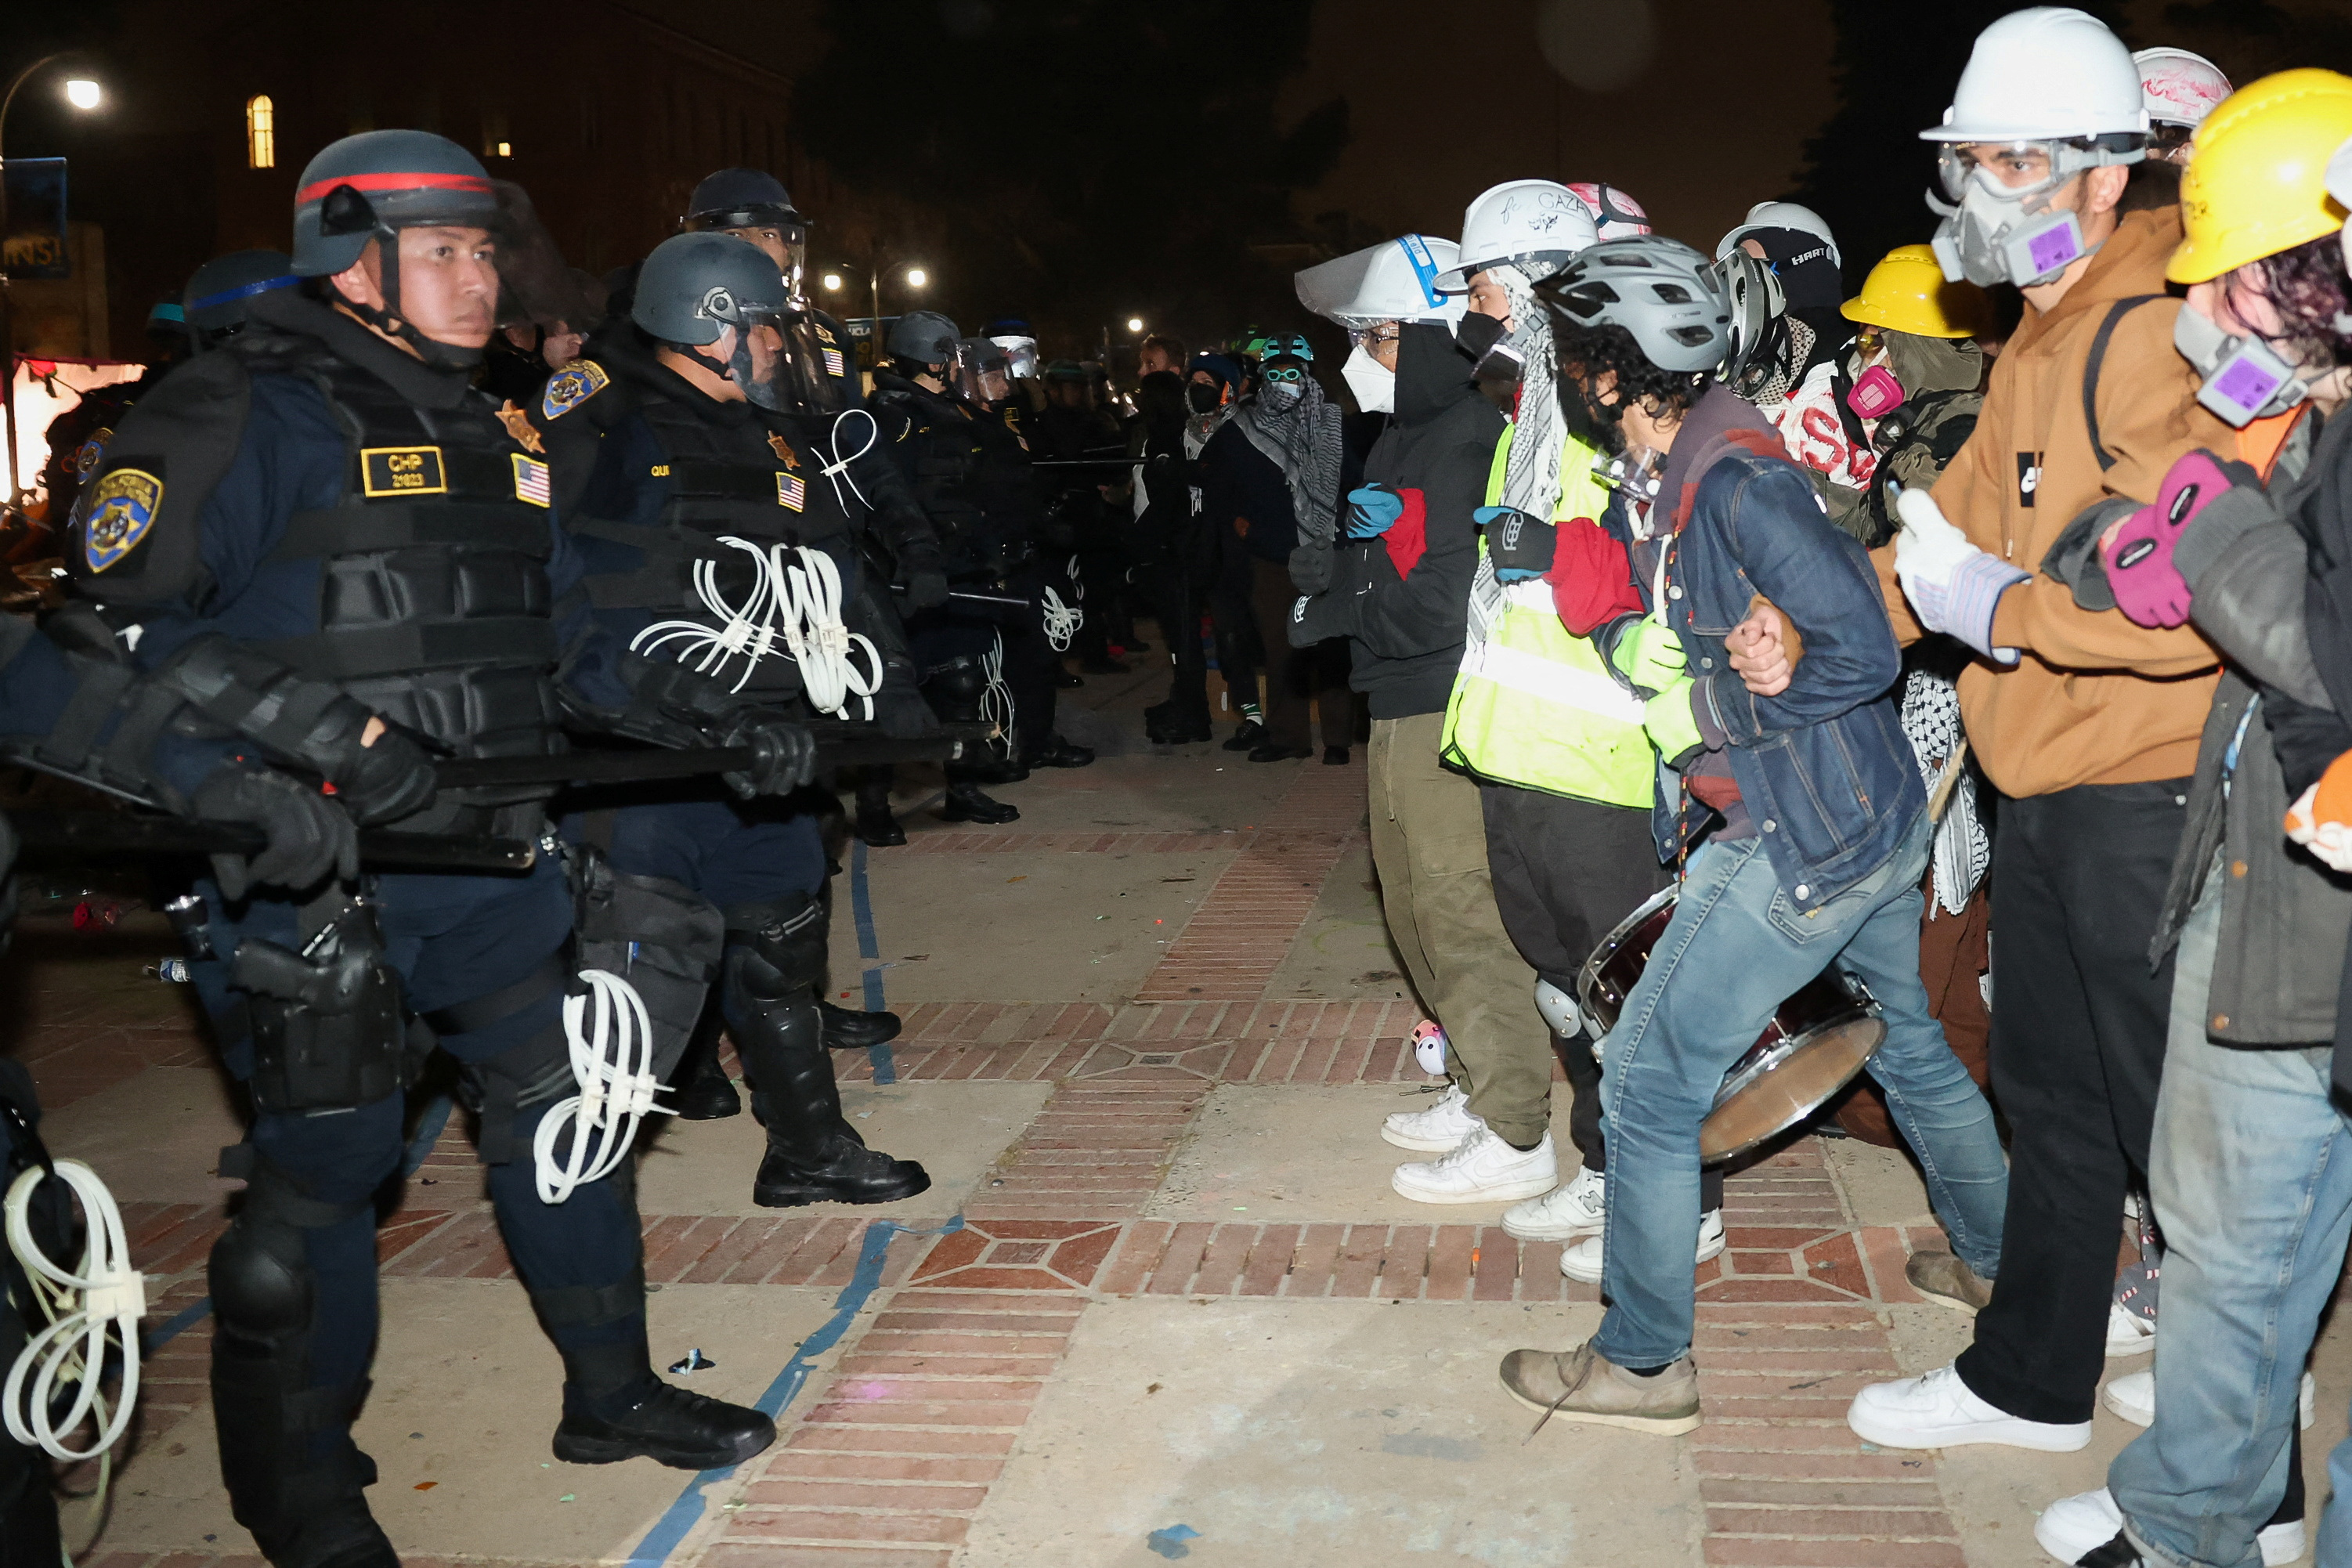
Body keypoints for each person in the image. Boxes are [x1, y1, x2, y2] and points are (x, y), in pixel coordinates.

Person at [63, 131, 806, 1565]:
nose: (481, 280)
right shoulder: (241, 407)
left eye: (485, 251)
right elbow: (104, 631)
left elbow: (566, 642)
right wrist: (293, 754)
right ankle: (301, 1494)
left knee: (569, 1114)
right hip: (309, 879)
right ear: (354, 260)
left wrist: (716, 721)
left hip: (482, 864)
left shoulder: (494, 428)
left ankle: (609, 1392)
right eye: (447, 252)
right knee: (324, 1178)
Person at [1496, 235, 2007, 1435]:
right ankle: (2000, 1267)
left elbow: (1861, 646)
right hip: (1858, 817)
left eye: (1573, 359)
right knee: (1905, 1043)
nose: (1565, 378)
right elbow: (1684, 618)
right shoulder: (1676, 474)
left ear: (1612, 370)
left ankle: (1641, 1362)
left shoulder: (1734, 482)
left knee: (1645, 1077)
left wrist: (1716, 706)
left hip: (1801, 834)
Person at [1829, 7, 2238, 1455]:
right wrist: (1810, 627)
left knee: (2190, 1138)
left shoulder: (2148, 335)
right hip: (2049, 785)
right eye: (1970, 160)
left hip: (2147, 788)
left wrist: (2002, 612)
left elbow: (2190, 597)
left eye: (2011, 161)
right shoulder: (2038, 336)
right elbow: (1951, 542)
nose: (1977, 192)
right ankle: (2030, 1378)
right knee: (2049, 1093)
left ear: (2100, 176)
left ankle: (2234, 1474)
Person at [2005, 69, 2352, 1568]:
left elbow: (2324, 649)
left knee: (2243, 1224)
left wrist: (2207, 529)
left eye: (2232, 279)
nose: (2201, 309)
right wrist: (2138, 540)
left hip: (2310, 892)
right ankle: (2196, 1512)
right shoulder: (2309, 415)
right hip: (2270, 867)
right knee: (2227, 1229)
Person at [533, 230, 931, 1171]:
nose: (777, 345)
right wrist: (692, 711)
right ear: (709, 324)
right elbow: (559, 604)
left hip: (770, 747)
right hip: (649, 757)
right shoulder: (604, 424)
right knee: (635, 990)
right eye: (763, 327)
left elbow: (832, 569)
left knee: (781, 948)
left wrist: (894, 684)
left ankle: (808, 1151)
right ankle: (573, 1178)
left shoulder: (768, 435)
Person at [1414, 177, 1725, 1252]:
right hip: (1520, 751)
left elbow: (1662, 563)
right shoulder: (1531, 415)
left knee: (1635, 999)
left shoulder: (1609, 411)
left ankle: (1684, 1207)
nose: (1473, 316)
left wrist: (1558, 552)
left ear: (1538, 287)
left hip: (1600, 762)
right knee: (1568, 991)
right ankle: (1605, 1167)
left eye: (1485, 292)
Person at [1288, 233, 1557, 1205]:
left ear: (1439, 338)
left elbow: (1445, 606)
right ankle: (1477, 1084)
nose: (1364, 356)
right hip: (1396, 698)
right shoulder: (1405, 432)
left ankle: (1516, 1127)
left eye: (1382, 337)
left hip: (1443, 697)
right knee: (1410, 908)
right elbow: (1401, 563)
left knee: (1461, 913)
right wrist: (1346, 572)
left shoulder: (1464, 434)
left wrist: (1351, 606)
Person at [1200, 332, 1355, 761]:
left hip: (1327, 553)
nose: (1285, 382)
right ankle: (1289, 738)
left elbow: (1356, 478)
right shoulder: (1243, 427)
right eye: (1275, 374)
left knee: (1332, 644)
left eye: (1293, 373)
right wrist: (1241, 525)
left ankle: (1338, 739)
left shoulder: (1331, 421)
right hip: (1272, 556)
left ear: (1307, 375)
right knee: (1280, 646)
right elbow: (1211, 475)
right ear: (1264, 377)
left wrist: (1346, 526)